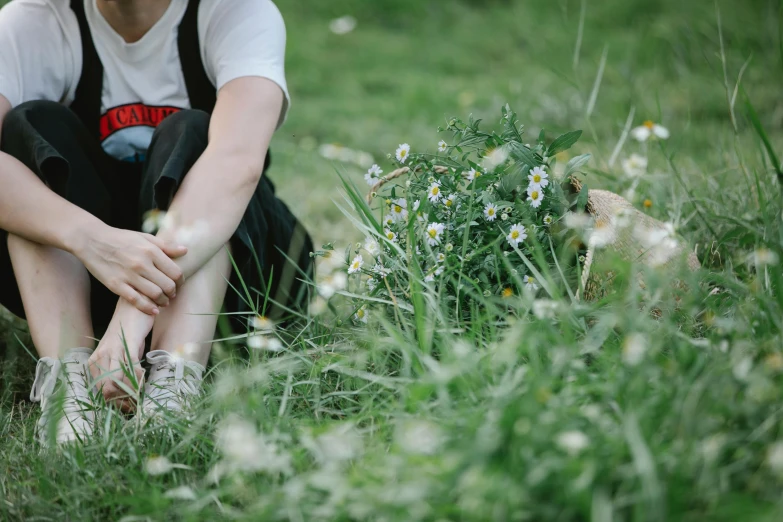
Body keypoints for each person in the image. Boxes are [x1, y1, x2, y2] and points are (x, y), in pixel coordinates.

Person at [0, 0, 313, 445]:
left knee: (192, 131)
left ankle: (172, 384)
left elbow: (238, 163)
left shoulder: (236, 11)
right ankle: (71, 384)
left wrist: (133, 315)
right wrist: (93, 242)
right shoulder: (32, 21)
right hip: (92, 280)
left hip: (233, 278)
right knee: (30, 126)